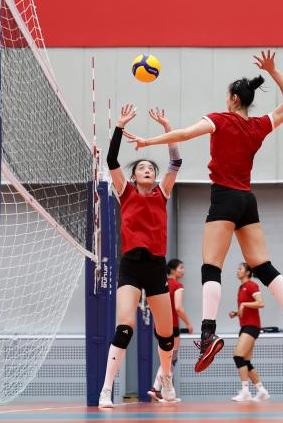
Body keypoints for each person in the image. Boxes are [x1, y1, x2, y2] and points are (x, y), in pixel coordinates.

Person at [126, 50, 283, 373]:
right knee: (262, 265)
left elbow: (184, 134)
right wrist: (273, 71)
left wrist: (148, 142)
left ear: (233, 99)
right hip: (247, 200)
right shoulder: (258, 126)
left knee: (211, 267)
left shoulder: (220, 120)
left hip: (225, 198)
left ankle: (208, 334)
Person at [99, 105, 181, 407]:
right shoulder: (126, 192)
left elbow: (176, 161)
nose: (148, 170)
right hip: (131, 266)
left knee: (166, 334)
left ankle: (166, 378)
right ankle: (106, 389)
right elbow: (111, 159)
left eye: (151, 169)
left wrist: (167, 128)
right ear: (133, 176)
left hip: (156, 266)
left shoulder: (163, 193)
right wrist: (120, 127)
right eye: (142, 168)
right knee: (124, 327)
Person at [149, 258, 193, 401]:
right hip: (172, 326)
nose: (183, 271)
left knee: (166, 357)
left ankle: (158, 390)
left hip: (158, 325)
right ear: (173, 270)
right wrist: (188, 323)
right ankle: (157, 389)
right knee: (171, 358)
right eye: (181, 268)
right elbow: (178, 308)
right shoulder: (177, 285)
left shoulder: (161, 283)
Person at [228, 263, 270, 402]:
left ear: (247, 272)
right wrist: (236, 313)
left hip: (252, 327)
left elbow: (261, 303)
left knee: (238, 356)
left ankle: (245, 391)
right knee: (245, 361)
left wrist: (244, 304)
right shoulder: (241, 288)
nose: (237, 271)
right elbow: (247, 308)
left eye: (240, 269)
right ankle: (261, 391)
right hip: (245, 326)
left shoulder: (251, 285)